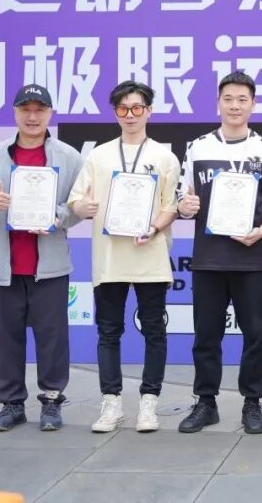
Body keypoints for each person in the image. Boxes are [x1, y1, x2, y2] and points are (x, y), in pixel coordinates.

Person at [0, 84, 83, 432]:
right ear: (15, 113)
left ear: (50, 114)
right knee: (7, 339)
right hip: (5, 266)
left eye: (39, 110)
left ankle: (52, 402)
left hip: (50, 266)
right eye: (25, 109)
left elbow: (79, 206)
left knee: (53, 338)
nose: (32, 116)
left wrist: (57, 217)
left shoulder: (69, 157)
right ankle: (12, 404)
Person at [175, 71, 262, 435]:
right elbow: (183, 198)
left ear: (253, 104)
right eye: (228, 99)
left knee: (256, 335)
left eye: (242, 99)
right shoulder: (198, 147)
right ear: (218, 103)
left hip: (253, 258)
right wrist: (185, 206)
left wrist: (261, 231)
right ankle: (205, 402)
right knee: (206, 336)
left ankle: (252, 403)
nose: (235, 106)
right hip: (208, 258)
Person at [67, 81, 180, 433]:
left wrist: (154, 227)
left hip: (151, 256)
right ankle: (111, 403)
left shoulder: (165, 157)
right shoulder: (98, 156)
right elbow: (76, 200)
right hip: (110, 258)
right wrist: (82, 207)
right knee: (108, 331)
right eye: (123, 108)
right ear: (115, 112)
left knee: (154, 331)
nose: (130, 115)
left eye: (137, 108)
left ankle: (149, 403)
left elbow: (172, 205)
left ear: (149, 111)